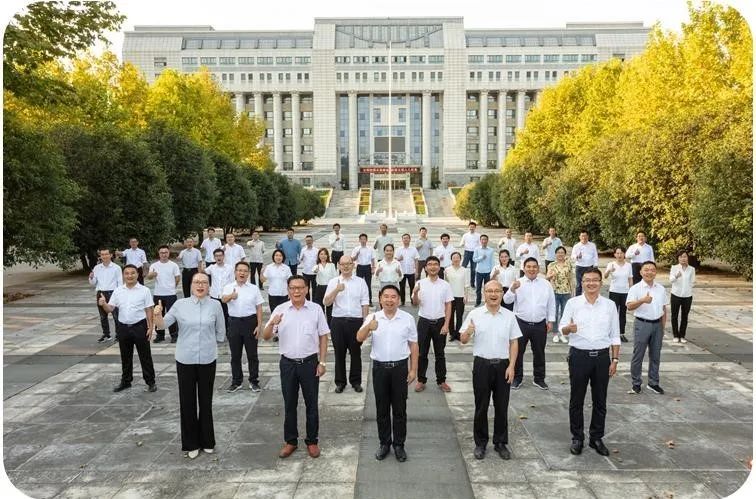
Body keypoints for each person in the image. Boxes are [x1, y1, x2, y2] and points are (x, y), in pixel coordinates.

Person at [154, 272, 226, 459]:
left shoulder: (216, 305)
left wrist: (213, 341)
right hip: (185, 359)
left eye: (204, 282)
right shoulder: (180, 305)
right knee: (187, 402)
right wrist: (157, 315)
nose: (200, 285)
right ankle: (191, 443)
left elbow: (221, 332)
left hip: (208, 359)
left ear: (209, 285)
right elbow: (162, 326)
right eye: (196, 282)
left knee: (205, 401)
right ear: (191, 285)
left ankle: (207, 441)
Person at [263, 276, 329, 459]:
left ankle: (312, 441)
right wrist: (273, 323)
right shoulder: (280, 310)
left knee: (311, 404)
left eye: (300, 288)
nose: (297, 291)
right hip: (287, 364)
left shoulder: (315, 309)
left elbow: (324, 336)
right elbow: (266, 336)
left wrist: (322, 362)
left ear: (307, 289)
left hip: (309, 364)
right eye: (293, 288)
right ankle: (291, 441)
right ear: (288, 290)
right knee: (289, 403)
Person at [559, 267, 620, 457]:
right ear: (582, 282)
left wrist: (615, 359)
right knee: (576, 399)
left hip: (602, 358)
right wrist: (569, 328)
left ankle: (596, 437)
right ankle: (577, 437)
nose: (591, 283)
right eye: (587, 280)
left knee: (600, 400)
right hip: (579, 356)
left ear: (601, 283)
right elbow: (562, 329)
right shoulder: (573, 303)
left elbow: (615, 335)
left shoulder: (609, 305)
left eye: (595, 280)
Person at [357, 285, 419, 462]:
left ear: (399, 299)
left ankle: (399, 445)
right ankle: (384, 443)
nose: (390, 300)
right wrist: (369, 327)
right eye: (386, 296)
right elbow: (359, 338)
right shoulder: (373, 317)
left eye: (393, 297)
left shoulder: (407, 318)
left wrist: (413, 369)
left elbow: (414, 345)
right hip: (380, 369)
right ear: (380, 298)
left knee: (400, 409)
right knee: (382, 408)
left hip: (400, 369)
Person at [460, 280, 521, 460]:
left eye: (497, 291)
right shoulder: (475, 314)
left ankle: (500, 442)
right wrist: (469, 332)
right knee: (481, 406)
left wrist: (512, 366)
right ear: (484, 293)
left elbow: (514, 342)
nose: (493, 294)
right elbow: (463, 340)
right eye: (489, 291)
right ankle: (480, 443)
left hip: (503, 365)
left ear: (502, 294)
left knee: (502, 406)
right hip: (482, 366)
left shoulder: (510, 316)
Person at [99, 264, 156, 393]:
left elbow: (148, 309)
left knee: (145, 356)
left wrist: (150, 326)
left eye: (133, 273)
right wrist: (104, 304)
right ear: (123, 275)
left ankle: (150, 381)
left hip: (140, 326)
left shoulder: (144, 290)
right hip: (123, 327)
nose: (130, 276)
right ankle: (126, 381)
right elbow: (110, 309)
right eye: (127, 273)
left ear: (138, 274)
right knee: (125, 356)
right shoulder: (118, 291)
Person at [504, 257, 556, 390]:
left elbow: (551, 303)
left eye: (534, 267)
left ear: (538, 268)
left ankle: (539, 379)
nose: (531, 269)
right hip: (520, 323)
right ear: (524, 268)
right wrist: (512, 289)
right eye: (529, 266)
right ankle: (516, 378)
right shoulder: (518, 283)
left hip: (540, 324)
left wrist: (550, 320)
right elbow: (507, 300)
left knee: (539, 352)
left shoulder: (546, 284)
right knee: (517, 352)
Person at [324, 256, 370, 393]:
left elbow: (365, 303)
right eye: (343, 264)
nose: (345, 267)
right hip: (338, 321)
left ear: (353, 265)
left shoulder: (360, 282)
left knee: (356, 353)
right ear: (338, 265)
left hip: (356, 322)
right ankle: (340, 382)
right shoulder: (333, 282)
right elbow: (326, 302)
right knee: (339, 353)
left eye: (348, 264)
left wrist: (365, 325)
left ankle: (356, 382)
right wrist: (336, 290)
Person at [412, 256, 454, 393]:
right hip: (424, 322)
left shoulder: (445, 285)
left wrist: (446, 324)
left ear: (439, 267)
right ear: (425, 268)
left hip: (440, 322)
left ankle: (441, 380)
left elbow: (448, 305)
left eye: (435, 264)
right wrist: (415, 293)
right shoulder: (420, 283)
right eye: (429, 264)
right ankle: (421, 380)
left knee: (440, 354)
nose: (432, 267)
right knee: (422, 353)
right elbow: (415, 303)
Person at [626, 261, 668, 395]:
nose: (649, 272)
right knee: (638, 355)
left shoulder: (660, 289)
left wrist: (663, 327)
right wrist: (642, 300)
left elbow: (663, 309)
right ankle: (636, 383)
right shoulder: (636, 289)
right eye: (646, 270)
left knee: (656, 355)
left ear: (656, 272)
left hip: (657, 325)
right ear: (641, 272)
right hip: (642, 324)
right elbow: (629, 306)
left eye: (652, 270)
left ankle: (653, 382)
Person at [222, 262, 265, 393]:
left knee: (252, 354)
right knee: (235, 355)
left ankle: (254, 381)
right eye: (239, 270)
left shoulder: (253, 288)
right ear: (235, 272)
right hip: (234, 323)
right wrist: (231, 296)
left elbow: (259, 307)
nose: (242, 273)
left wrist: (259, 325)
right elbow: (223, 299)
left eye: (245, 271)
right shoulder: (229, 287)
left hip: (250, 322)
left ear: (249, 273)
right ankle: (236, 381)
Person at [147, 245, 181, 343]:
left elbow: (177, 278)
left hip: (171, 294)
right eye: (162, 252)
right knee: (158, 315)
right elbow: (149, 277)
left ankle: (174, 335)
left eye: (165, 252)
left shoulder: (173, 265)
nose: (164, 254)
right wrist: (151, 275)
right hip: (158, 294)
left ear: (168, 253)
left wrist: (172, 287)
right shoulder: (154, 265)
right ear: (159, 254)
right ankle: (160, 335)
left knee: (172, 315)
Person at [89, 248, 122, 342]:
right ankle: (106, 334)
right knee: (103, 316)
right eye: (102, 254)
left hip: (112, 293)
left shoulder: (116, 267)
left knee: (116, 315)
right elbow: (93, 283)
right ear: (100, 256)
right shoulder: (97, 268)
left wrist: (119, 295)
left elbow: (119, 282)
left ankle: (118, 334)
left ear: (111, 255)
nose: (104, 256)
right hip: (100, 293)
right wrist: (91, 278)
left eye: (106, 254)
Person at [603, 247, 633, 343]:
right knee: (613, 313)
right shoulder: (611, 264)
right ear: (615, 254)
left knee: (623, 314)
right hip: (614, 291)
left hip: (625, 292)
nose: (619, 255)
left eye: (621, 253)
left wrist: (631, 291)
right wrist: (609, 271)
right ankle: (612, 333)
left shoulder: (629, 265)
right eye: (617, 253)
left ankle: (621, 333)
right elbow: (605, 276)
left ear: (624, 254)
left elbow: (630, 278)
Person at [546, 246, 573, 344]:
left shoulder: (568, 265)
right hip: (554, 292)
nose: (560, 254)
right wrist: (551, 276)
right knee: (555, 313)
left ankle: (563, 334)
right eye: (558, 252)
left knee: (565, 314)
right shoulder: (551, 265)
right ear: (555, 254)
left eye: (562, 253)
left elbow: (571, 278)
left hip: (566, 292)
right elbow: (547, 277)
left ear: (565, 254)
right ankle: (555, 334)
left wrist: (572, 291)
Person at [669, 250, 696, 344]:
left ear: (687, 258)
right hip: (676, 294)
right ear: (678, 258)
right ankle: (676, 335)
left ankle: (682, 335)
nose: (683, 259)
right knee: (674, 315)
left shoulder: (691, 269)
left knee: (685, 316)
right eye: (681, 257)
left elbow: (693, 281)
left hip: (687, 295)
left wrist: (689, 287)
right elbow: (671, 280)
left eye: (684, 256)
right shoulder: (674, 268)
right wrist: (676, 276)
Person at [444, 252, 469, 342]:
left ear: (460, 259)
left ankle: (458, 334)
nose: (456, 259)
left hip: (460, 296)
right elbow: (445, 284)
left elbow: (466, 285)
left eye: (457, 257)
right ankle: (452, 334)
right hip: (450, 296)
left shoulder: (464, 270)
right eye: (454, 257)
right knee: (450, 316)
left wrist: (466, 296)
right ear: (451, 259)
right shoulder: (447, 270)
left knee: (459, 316)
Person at [205, 248, 233, 326]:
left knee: (226, 315)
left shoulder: (229, 268)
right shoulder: (211, 267)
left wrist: (231, 294)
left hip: (226, 296)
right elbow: (202, 273)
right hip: (214, 295)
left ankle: (227, 332)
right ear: (214, 257)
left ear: (223, 256)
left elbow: (232, 282)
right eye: (216, 256)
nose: (218, 257)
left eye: (220, 255)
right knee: (214, 316)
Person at [261, 249, 293, 316]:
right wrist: (261, 272)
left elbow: (290, 282)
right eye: (276, 255)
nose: (278, 257)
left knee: (284, 314)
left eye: (280, 256)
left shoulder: (286, 268)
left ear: (283, 257)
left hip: (284, 294)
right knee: (274, 314)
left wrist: (290, 293)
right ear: (273, 257)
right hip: (272, 294)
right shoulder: (269, 267)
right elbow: (262, 280)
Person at [312, 248, 338, 324]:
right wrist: (316, 270)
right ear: (318, 256)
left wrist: (335, 289)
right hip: (319, 288)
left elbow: (335, 277)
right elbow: (314, 271)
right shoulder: (317, 265)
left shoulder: (332, 265)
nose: (323, 256)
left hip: (329, 288)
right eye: (321, 254)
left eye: (325, 254)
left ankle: (330, 325)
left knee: (330, 308)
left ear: (327, 255)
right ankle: (322, 325)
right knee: (320, 307)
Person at [570, 230, 599, 296]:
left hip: (590, 267)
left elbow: (595, 256)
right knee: (579, 285)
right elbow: (572, 256)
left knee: (589, 283)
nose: (584, 237)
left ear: (588, 236)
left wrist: (596, 265)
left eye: (585, 236)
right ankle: (577, 298)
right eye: (582, 236)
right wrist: (577, 256)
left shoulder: (592, 245)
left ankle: (590, 296)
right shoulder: (576, 246)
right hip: (579, 267)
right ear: (579, 237)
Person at [351, 233, 377, 304]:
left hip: (368, 267)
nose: (363, 241)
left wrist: (373, 268)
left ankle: (369, 301)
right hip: (359, 267)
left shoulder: (370, 249)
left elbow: (372, 259)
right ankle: (359, 300)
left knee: (368, 284)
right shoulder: (356, 249)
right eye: (361, 239)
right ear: (359, 240)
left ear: (366, 240)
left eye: (364, 239)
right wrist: (357, 254)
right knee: (358, 284)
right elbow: (352, 259)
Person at [396, 234, 419, 306]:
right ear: (402, 240)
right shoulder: (399, 249)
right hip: (402, 272)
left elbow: (416, 260)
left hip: (411, 271)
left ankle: (413, 301)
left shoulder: (413, 249)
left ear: (410, 239)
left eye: (407, 238)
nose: (405, 239)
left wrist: (417, 271)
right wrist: (399, 259)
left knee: (412, 287)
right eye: (404, 238)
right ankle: (402, 301)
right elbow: (395, 260)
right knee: (401, 287)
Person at [472, 235, 495, 306]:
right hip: (479, 271)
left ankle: (487, 301)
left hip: (488, 272)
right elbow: (474, 259)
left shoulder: (491, 250)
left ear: (487, 241)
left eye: (485, 240)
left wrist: (492, 271)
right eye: (482, 240)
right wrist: (481, 257)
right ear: (480, 241)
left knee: (488, 288)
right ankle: (478, 301)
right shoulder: (477, 249)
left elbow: (492, 261)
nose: (484, 241)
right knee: (478, 288)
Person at [459, 222, 481, 288]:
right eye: (470, 227)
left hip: (475, 253)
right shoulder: (465, 235)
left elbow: (480, 245)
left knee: (473, 269)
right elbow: (461, 243)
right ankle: (461, 281)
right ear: (468, 227)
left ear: (475, 227)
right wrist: (462, 244)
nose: (471, 228)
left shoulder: (478, 235)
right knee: (463, 267)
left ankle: (472, 283)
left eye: (473, 227)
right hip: (467, 252)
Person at [299, 235, 319, 300]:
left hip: (314, 273)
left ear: (312, 241)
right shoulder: (303, 250)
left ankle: (314, 302)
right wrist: (300, 259)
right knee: (306, 289)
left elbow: (319, 261)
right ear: (305, 241)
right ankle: (307, 302)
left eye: (310, 240)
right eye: (307, 240)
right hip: (306, 272)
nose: (308, 242)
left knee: (315, 289)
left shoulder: (316, 250)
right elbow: (300, 259)